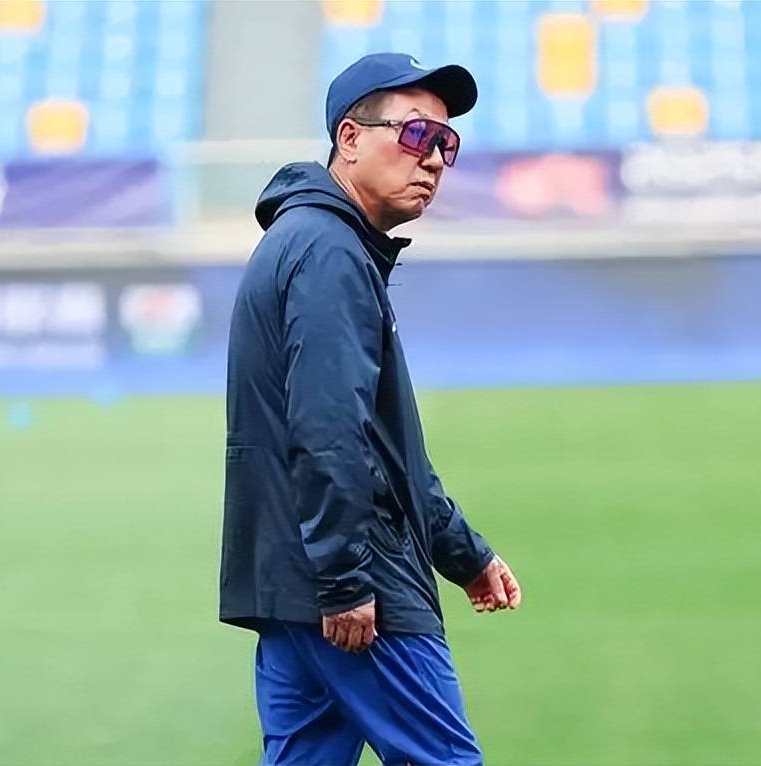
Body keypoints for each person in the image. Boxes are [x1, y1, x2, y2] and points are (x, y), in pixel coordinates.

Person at [219, 53, 522, 766]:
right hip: (356, 586)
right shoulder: (328, 252)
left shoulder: (317, 242)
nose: (435, 158)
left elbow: (386, 446)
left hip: (297, 581)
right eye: (416, 134)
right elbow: (329, 432)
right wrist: (344, 579)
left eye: (446, 142)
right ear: (350, 139)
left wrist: (463, 552)